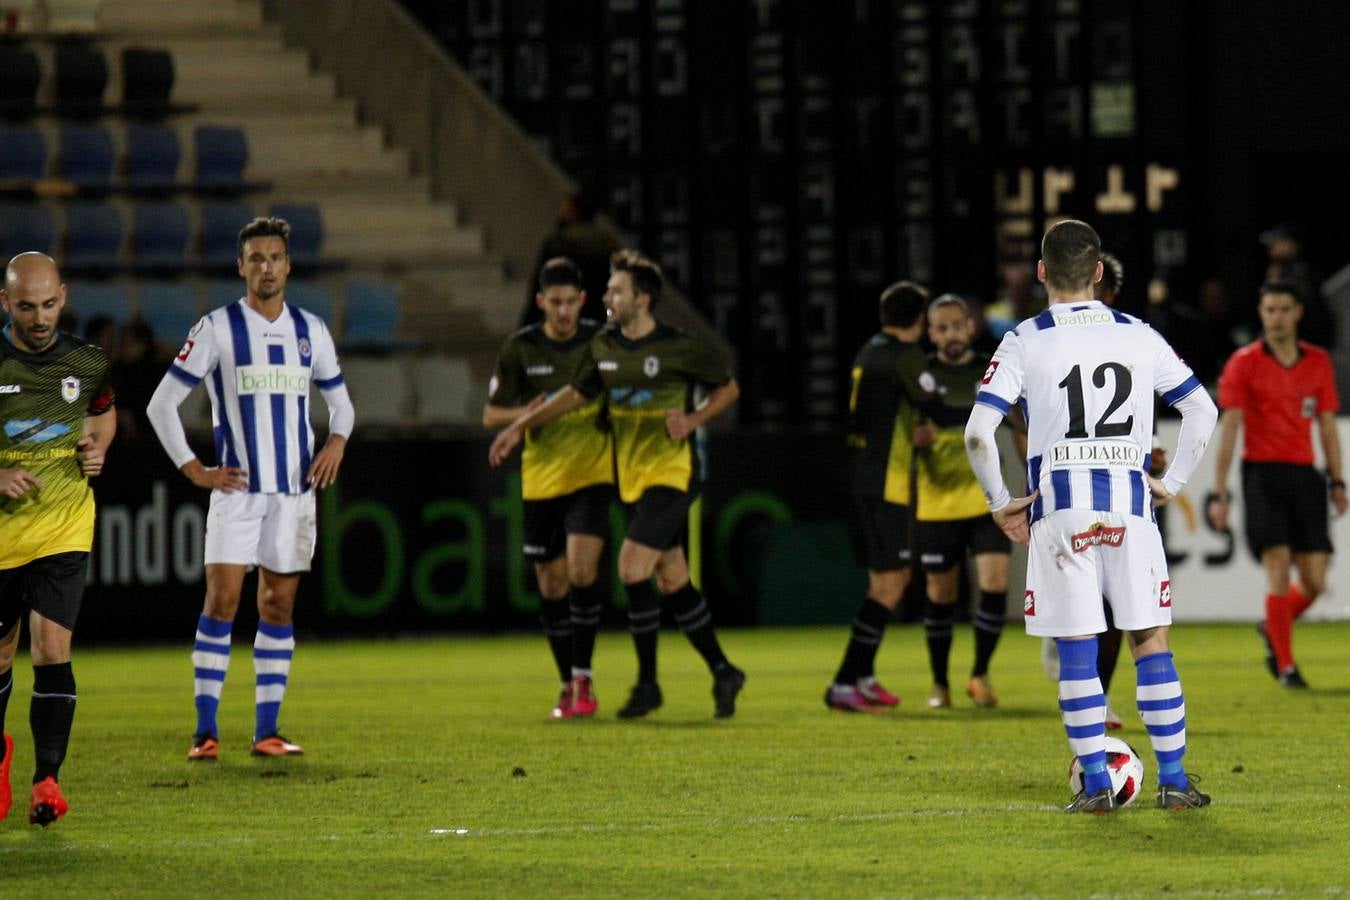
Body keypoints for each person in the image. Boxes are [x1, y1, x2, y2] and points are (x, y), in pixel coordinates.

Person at [965, 219, 1217, 813]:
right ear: (1100, 273)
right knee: (1150, 641)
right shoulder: (1140, 334)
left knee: (1078, 649)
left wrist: (1002, 503)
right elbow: (1202, 411)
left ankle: (1098, 788)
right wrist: (1171, 483)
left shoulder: (1024, 338)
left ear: (1042, 273)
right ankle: (1175, 782)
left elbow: (979, 432)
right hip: (1131, 510)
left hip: (1059, 516)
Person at [491, 249, 746, 719]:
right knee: (671, 578)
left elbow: (728, 388)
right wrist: (518, 427)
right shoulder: (605, 346)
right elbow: (574, 396)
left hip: (672, 473)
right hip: (630, 478)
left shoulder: (679, 346)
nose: (607, 296)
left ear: (642, 300)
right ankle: (724, 670)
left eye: (615, 290)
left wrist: (693, 419)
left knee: (631, 568)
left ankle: (647, 684)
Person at [146, 217, 355, 760]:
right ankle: (205, 731)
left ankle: (267, 730)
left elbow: (341, 402)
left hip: (293, 493)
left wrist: (336, 441)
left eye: (275, 258)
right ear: (241, 267)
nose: (266, 267)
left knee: (278, 606)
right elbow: (160, 403)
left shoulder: (310, 330)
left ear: (288, 265)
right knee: (222, 600)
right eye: (256, 258)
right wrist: (194, 468)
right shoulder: (217, 328)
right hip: (237, 490)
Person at [0, 252, 116, 826]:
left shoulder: (87, 361)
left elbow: (103, 414)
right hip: (1, 535)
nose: (40, 318)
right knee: (0, 656)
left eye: (48, 305)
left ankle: (47, 780)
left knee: (51, 648)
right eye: (27, 307)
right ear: (6, 304)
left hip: (64, 525)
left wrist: (97, 446)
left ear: (63, 297)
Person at [484, 257, 614, 719]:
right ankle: (566, 682)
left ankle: (584, 678)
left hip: (592, 474)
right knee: (552, 582)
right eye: (554, 303)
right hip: (541, 480)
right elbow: (491, 414)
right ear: (541, 302)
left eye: (570, 303)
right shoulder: (521, 349)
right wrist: (523, 417)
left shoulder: (601, 341)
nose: (563, 312)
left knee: (582, 573)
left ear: (582, 301)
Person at [1208, 280, 1345, 688]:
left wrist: (1337, 481)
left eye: (1284, 309)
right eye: (1269, 310)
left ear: (1298, 312)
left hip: (1305, 474)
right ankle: (1286, 666)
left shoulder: (1317, 362)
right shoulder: (1244, 362)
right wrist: (1220, 492)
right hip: (1262, 475)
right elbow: (1229, 427)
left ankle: (1273, 626)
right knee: (1278, 568)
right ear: (1261, 313)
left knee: (1317, 580)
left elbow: (1327, 427)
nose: (1276, 318)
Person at [824, 281, 935, 712]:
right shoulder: (904, 355)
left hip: (861, 479)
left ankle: (864, 676)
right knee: (891, 585)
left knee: (887, 582)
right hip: (880, 485)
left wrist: (913, 429)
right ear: (919, 320)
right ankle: (843, 682)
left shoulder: (870, 351)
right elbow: (936, 402)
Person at [914, 294, 1011, 709]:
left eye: (958, 325)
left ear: (970, 326)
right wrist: (913, 441)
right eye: (943, 327)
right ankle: (940, 684)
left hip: (987, 497)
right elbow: (899, 431)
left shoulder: (990, 368)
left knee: (995, 583)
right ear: (930, 333)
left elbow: (1019, 418)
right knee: (941, 594)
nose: (952, 334)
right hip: (936, 502)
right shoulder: (918, 375)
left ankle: (979, 674)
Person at [520, 190, 622, 328]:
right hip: (598, 319)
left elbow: (541, 286)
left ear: (572, 212)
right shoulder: (607, 245)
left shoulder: (559, 243)